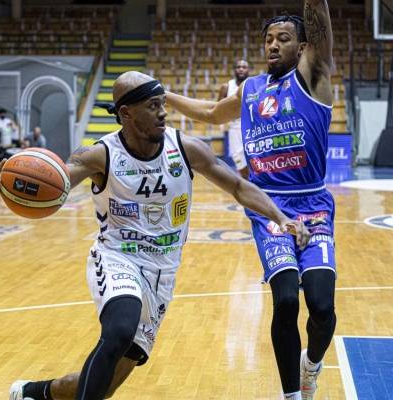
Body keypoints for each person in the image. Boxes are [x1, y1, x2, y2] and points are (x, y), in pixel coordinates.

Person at [0, 71, 309, 400]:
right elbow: (56, 183)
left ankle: (36, 392)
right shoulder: (101, 155)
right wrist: (9, 179)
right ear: (126, 112)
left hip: (163, 272)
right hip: (117, 258)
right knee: (119, 330)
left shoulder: (186, 149)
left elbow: (239, 187)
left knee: (105, 384)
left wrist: (281, 217)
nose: (163, 112)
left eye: (162, 104)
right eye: (153, 105)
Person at [164, 1, 336, 399]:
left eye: (283, 39)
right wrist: (164, 95)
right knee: (287, 300)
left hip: (312, 205)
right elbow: (211, 112)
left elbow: (320, 26)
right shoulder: (251, 89)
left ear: (303, 47)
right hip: (267, 205)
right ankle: (292, 394)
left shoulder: (314, 77)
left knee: (322, 307)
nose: (273, 45)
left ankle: (311, 365)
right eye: (268, 39)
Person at [218, 59, 250, 178]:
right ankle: (247, 185)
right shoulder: (226, 87)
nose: (241, 69)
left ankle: (256, 186)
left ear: (248, 70)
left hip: (251, 128)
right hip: (234, 129)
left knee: (254, 162)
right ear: (234, 70)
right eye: (238, 67)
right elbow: (218, 108)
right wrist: (222, 123)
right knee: (240, 165)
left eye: (244, 67)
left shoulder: (252, 85)